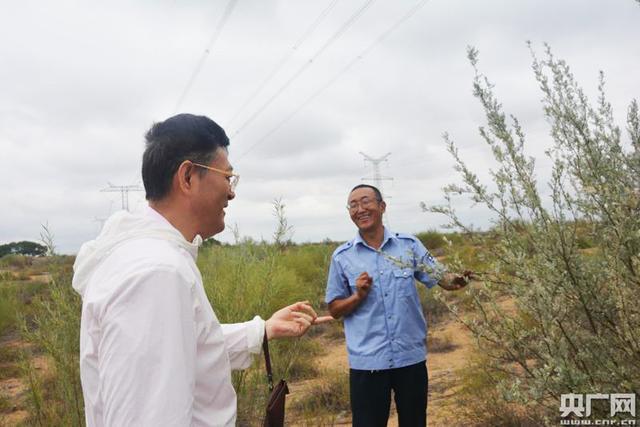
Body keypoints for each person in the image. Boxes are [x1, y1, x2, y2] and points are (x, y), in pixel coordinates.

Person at [72, 113, 331, 427]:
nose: (232, 192)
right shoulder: (156, 273)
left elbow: (185, 345)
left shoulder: (145, 255)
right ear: (188, 177)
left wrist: (262, 330)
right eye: (227, 177)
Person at [325, 184, 472, 427]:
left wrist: (458, 280)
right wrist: (357, 296)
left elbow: (441, 278)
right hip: (368, 362)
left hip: (409, 358)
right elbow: (334, 309)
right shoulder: (342, 257)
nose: (359, 209)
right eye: (353, 205)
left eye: (366, 202)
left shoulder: (409, 246)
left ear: (382, 207)